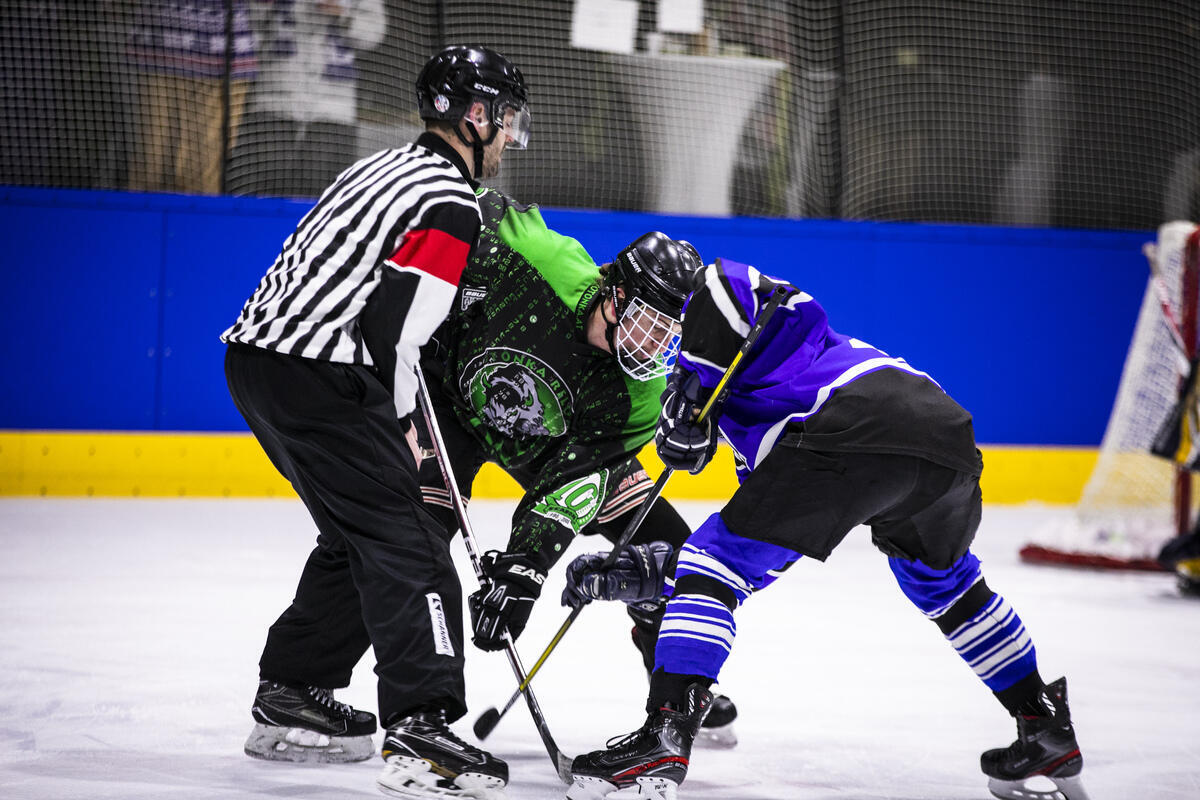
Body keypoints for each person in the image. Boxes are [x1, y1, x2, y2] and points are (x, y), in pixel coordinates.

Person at [564, 258, 1090, 800]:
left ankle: (664, 735)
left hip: (853, 416)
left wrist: (692, 391)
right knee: (946, 585)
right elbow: (762, 558)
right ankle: (1044, 723)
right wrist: (650, 574)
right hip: (945, 437)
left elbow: (725, 282)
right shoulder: (769, 438)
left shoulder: (761, 340)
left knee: (713, 561)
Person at [219, 44, 530, 800]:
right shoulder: (451, 203)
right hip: (323, 374)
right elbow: (398, 334)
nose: (512, 137)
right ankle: (424, 728)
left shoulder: (380, 165)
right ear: (476, 115)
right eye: (508, 119)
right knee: (410, 537)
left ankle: (295, 690)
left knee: (360, 533)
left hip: (257, 364)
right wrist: (408, 428)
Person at [413, 194, 740, 746]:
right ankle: (309, 683)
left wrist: (524, 567)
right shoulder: (541, 260)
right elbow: (468, 205)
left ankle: (676, 687)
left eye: (668, 336)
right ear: (615, 297)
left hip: (553, 443)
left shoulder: (641, 394)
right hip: (452, 400)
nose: (653, 347)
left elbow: (574, 478)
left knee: (670, 554)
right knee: (408, 534)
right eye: (646, 325)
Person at [227, 0, 386, 198]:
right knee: (259, 186)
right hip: (274, 100)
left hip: (333, 108)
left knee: (324, 194)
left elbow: (374, 32)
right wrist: (264, 6)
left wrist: (343, 14)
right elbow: (245, 28)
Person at [128, 0, 256, 194]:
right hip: (161, 50)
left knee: (204, 174)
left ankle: (199, 223)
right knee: (151, 167)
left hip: (223, 57)